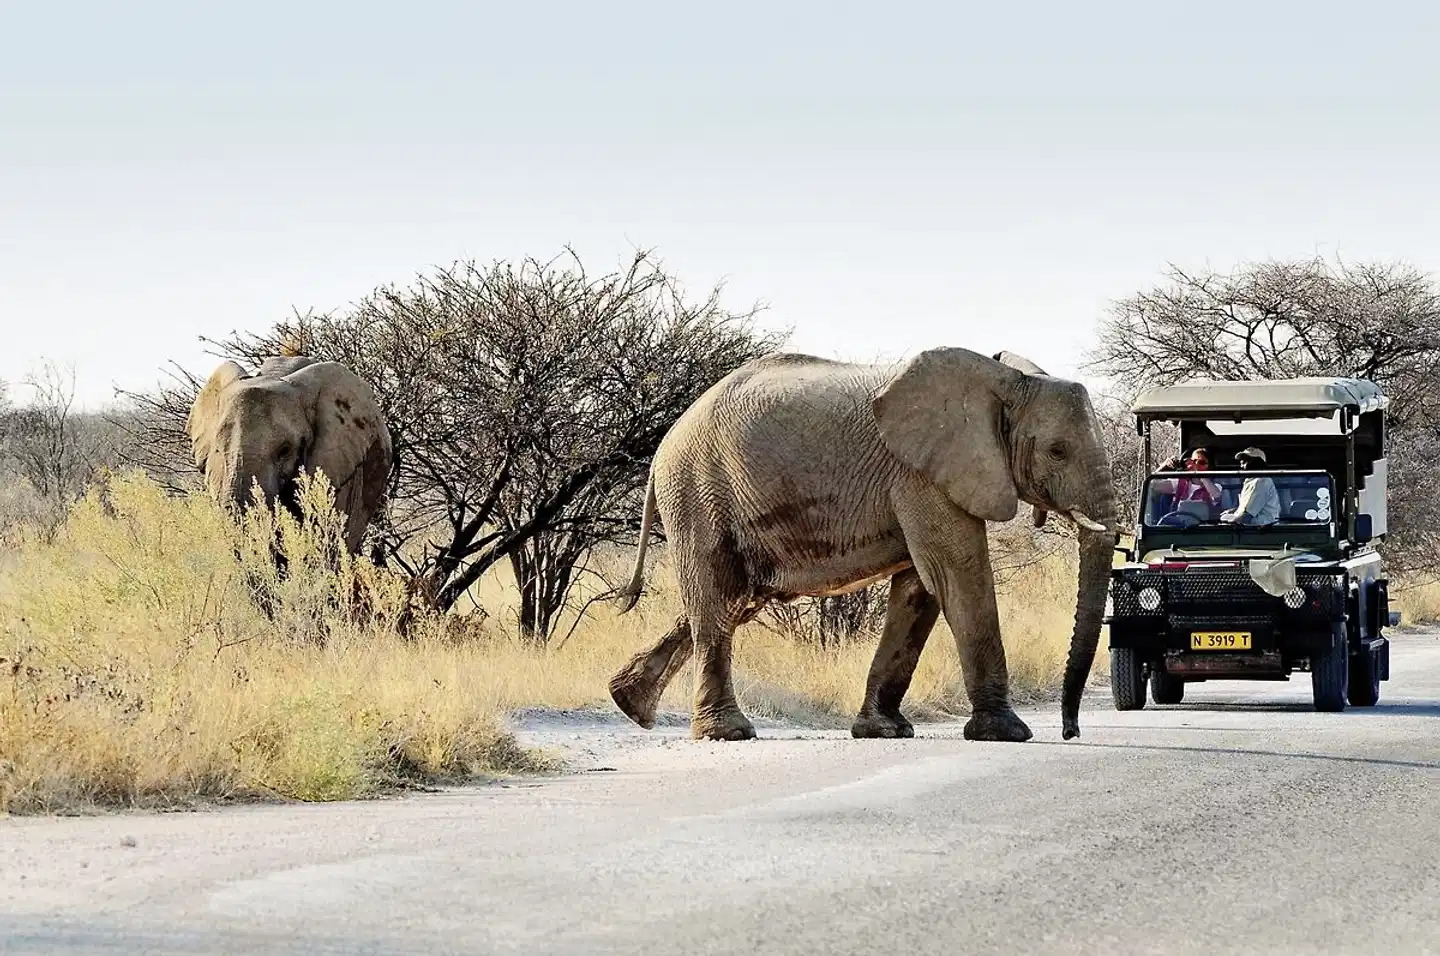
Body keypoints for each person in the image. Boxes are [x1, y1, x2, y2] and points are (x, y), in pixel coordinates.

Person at [1220, 447, 1280, 525]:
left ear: (1258, 463)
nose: (1241, 466)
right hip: (1251, 529)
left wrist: (1227, 523)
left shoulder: (1262, 482)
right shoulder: (1251, 481)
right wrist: (1235, 510)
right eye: (1241, 461)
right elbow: (1247, 508)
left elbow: (1247, 516)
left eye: (1245, 461)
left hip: (1262, 531)